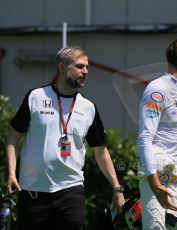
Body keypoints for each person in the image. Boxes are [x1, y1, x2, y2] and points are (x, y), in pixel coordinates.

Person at [6, 46, 125, 230]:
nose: (85, 71)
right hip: (33, 192)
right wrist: (12, 174)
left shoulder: (88, 107)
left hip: (71, 192)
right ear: (62, 68)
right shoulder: (35, 97)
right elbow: (13, 137)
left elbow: (101, 151)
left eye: (87, 67)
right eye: (79, 66)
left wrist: (117, 188)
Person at [136, 36, 177, 229]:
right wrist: (155, 184)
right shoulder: (158, 88)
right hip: (159, 183)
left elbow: (170, 143)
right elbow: (144, 139)